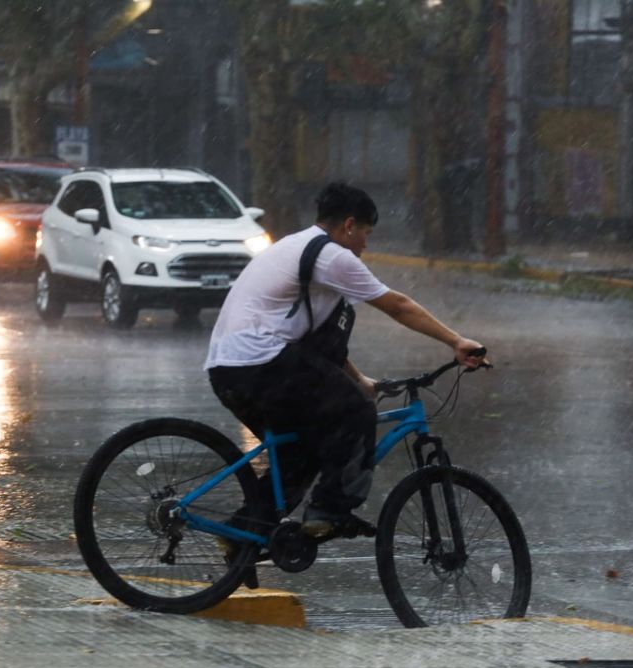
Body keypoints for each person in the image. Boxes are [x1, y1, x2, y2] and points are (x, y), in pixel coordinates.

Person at [205, 181, 486, 541]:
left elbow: (320, 348)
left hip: (230, 371)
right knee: (356, 413)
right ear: (349, 225)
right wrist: (456, 341)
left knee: (300, 455)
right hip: (260, 363)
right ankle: (331, 510)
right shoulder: (331, 255)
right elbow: (397, 305)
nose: (366, 244)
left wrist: (359, 379)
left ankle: (241, 534)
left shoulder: (297, 247)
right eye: (366, 233)